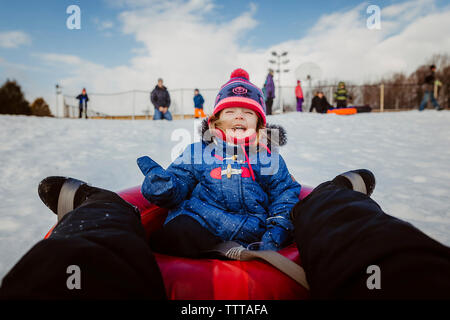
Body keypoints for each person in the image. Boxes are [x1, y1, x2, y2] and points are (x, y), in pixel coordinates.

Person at [2, 168, 449, 299]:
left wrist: (279, 226)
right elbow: (172, 187)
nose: (238, 123)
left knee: (318, 206)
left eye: (248, 117)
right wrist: (162, 185)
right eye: (229, 114)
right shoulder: (198, 159)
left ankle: (334, 197)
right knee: (116, 219)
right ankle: (100, 206)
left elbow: (287, 195)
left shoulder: (270, 166)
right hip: (188, 230)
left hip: (258, 235)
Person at [142, 68, 300, 256]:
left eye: (248, 113)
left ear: (259, 123)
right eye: (230, 111)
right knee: (172, 234)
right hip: (201, 221)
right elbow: (181, 182)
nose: (239, 116)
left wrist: (275, 232)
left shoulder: (267, 156)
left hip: (250, 232)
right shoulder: (198, 151)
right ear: (216, 121)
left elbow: (283, 193)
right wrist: (165, 187)